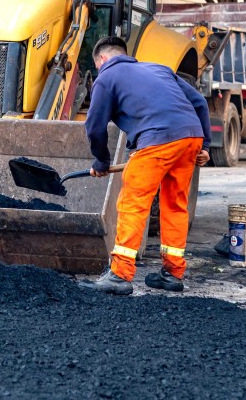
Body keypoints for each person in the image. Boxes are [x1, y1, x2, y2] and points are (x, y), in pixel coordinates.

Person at [82, 36, 211, 295]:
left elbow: (94, 127)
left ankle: (120, 274)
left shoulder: (107, 77)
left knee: (133, 201)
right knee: (175, 203)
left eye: (98, 65)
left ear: (103, 59)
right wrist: (205, 145)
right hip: (190, 137)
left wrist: (102, 161)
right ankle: (173, 273)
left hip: (158, 139)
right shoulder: (159, 69)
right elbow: (199, 102)